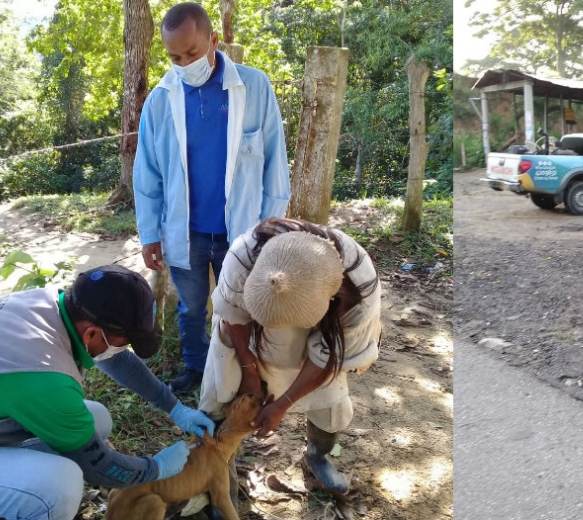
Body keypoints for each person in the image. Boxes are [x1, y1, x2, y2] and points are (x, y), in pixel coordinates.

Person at [134, 2, 291, 394]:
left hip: (241, 231)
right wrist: (149, 234)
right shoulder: (160, 100)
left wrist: (271, 228)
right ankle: (196, 367)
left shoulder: (253, 87)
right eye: (174, 56)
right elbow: (147, 174)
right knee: (190, 308)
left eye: (191, 52)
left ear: (214, 41)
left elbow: (274, 162)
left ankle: (244, 374)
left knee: (241, 306)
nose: (184, 63)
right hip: (184, 230)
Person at [0, 265, 216, 520]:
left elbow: (118, 361)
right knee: (60, 486)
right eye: (122, 344)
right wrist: (156, 468)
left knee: (98, 418)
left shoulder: (50, 305)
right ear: (92, 333)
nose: (120, 350)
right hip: (33, 389)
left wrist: (174, 407)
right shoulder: (45, 378)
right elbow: (99, 467)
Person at [199, 217, 381, 495]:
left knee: (329, 401)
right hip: (250, 334)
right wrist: (249, 373)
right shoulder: (244, 255)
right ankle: (218, 473)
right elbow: (234, 318)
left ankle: (317, 456)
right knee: (222, 389)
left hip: (325, 336)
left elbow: (325, 358)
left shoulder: (360, 286)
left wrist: (282, 404)